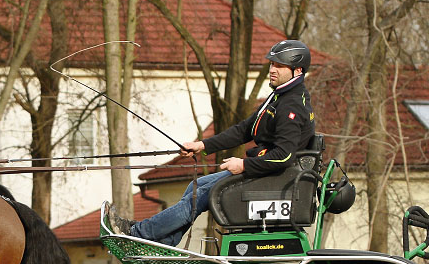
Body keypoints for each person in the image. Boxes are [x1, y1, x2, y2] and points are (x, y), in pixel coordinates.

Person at [107, 39, 316, 246]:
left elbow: (284, 156)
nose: (273, 69)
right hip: (263, 171)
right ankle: (165, 242)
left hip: (271, 178)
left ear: (297, 71)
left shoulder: (291, 105)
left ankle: (137, 233)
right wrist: (202, 145)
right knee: (195, 187)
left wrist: (243, 165)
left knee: (202, 194)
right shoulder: (280, 97)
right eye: (272, 64)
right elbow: (244, 130)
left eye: (279, 65)